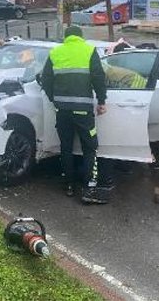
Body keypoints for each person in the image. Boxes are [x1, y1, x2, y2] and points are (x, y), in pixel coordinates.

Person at [41, 26, 108, 204]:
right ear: (80, 37)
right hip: (83, 111)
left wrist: (54, 99)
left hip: (62, 110)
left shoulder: (56, 52)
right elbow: (99, 78)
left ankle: (68, 185)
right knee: (90, 147)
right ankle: (89, 187)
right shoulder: (89, 50)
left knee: (66, 147)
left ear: (66, 37)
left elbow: (45, 79)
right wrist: (102, 101)